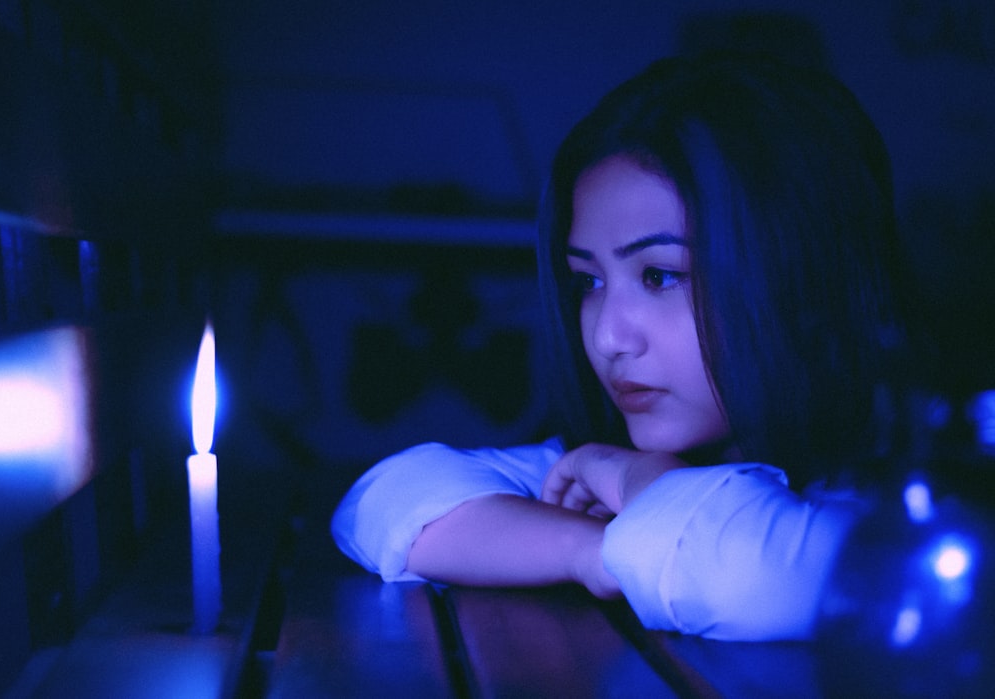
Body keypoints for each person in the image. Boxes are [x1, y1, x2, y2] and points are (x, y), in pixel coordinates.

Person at [331, 53, 904, 641]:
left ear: (798, 274)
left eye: (659, 276)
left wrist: (639, 486)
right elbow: (385, 502)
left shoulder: (900, 517)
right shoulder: (608, 475)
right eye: (589, 282)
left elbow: (750, 574)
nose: (607, 336)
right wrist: (593, 550)